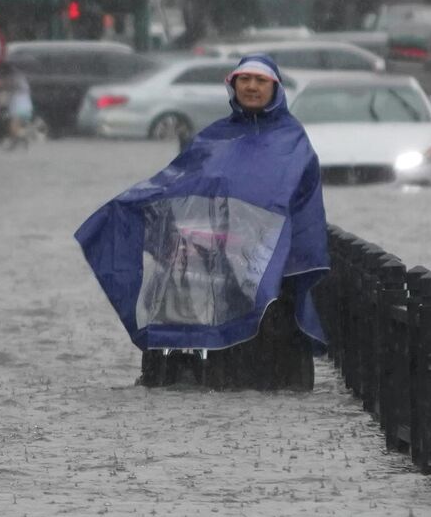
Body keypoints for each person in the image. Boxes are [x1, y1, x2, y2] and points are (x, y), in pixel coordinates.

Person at [75, 54, 329, 390]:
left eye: (260, 80)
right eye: (244, 79)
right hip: (214, 269)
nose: (251, 87)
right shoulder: (214, 138)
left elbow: (302, 202)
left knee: (269, 350)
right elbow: (178, 183)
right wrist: (132, 207)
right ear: (233, 85)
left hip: (273, 270)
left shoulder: (292, 139)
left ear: (276, 88)